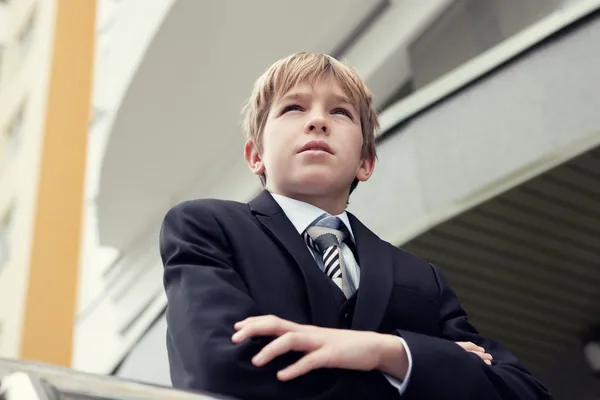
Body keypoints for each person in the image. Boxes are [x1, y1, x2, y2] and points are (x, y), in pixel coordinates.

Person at [159, 52, 552, 399]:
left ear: (366, 163)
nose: (317, 121)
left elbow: (521, 392)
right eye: (293, 108)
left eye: (340, 112)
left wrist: (390, 352)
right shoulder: (207, 228)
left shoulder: (422, 279)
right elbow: (221, 371)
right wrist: (435, 367)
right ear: (255, 155)